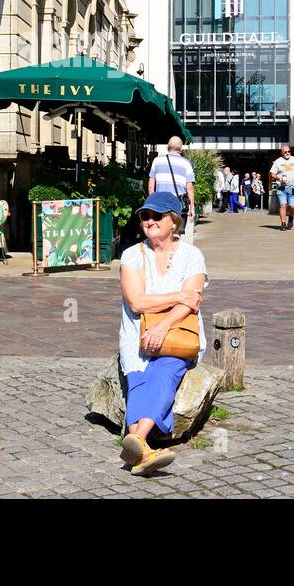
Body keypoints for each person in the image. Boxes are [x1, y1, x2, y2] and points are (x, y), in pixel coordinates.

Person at [117, 191, 207, 477]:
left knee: (165, 373)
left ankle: (137, 440)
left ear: (174, 221)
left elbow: (192, 302)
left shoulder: (192, 255)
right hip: (137, 337)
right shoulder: (131, 255)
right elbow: (136, 302)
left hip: (177, 336)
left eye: (157, 215)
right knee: (139, 380)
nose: (150, 221)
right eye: (145, 216)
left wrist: (162, 324)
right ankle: (142, 449)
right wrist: (178, 295)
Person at [147, 137, 196, 232]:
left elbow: (150, 185)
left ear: (167, 147)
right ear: (181, 149)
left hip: (160, 204)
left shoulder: (157, 161)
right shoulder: (186, 163)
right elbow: (189, 187)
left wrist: (152, 203)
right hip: (178, 204)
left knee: (161, 232)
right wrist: (192, 208)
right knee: (176, 234)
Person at [270, 143, 294, 231]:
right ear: (282, 153)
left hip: (293, 187)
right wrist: (278, 177)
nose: (287, 153)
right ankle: (283, 223)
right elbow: (272, 173)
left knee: (292, 206)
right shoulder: (278, 161)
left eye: (289, 151)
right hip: (282, 188)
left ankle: (291, 218)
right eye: (285, 152)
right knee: (283, 205)